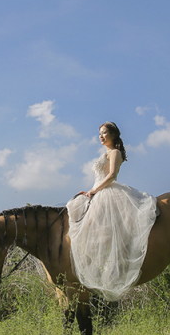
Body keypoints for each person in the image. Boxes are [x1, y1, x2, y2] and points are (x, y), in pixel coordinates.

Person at [66, 122, 159, 301]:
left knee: (106, 228)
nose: (101, 136)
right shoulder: (105, 153)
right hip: (98, 190)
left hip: (108, 192)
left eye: (104, 133)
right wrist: (90, 190)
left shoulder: (115, 153)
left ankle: (113, 264)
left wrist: (95, 191)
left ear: (113, 135)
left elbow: (112, 176)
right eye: (99, 133)